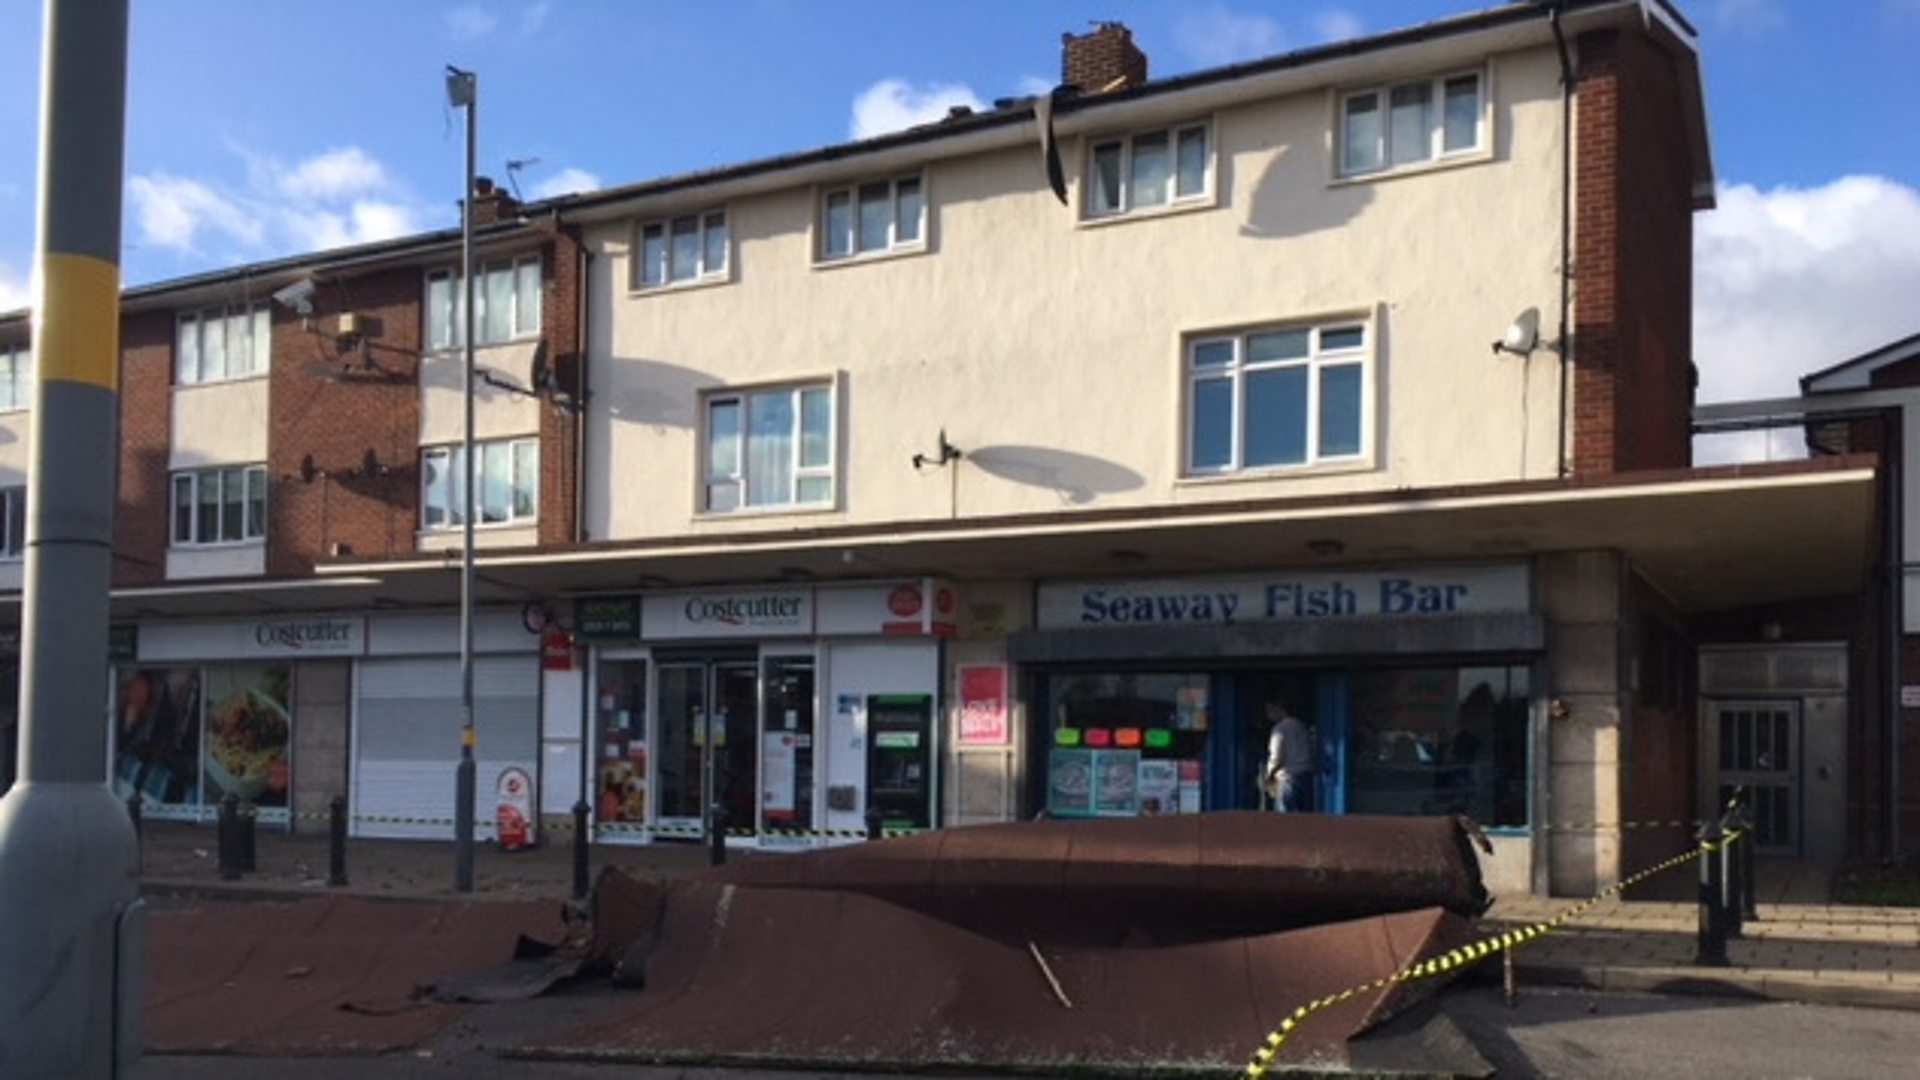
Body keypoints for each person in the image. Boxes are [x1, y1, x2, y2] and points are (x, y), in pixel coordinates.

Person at [1263, 702, 1315, 813]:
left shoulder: (1279, 729)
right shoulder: (1301, 726)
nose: (1268, 716)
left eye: (1270, 711)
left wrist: (1269, 775)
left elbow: (1276, 756)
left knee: (1286, 821)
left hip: (1287, 777)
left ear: (1279, 709)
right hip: (1305, 775)